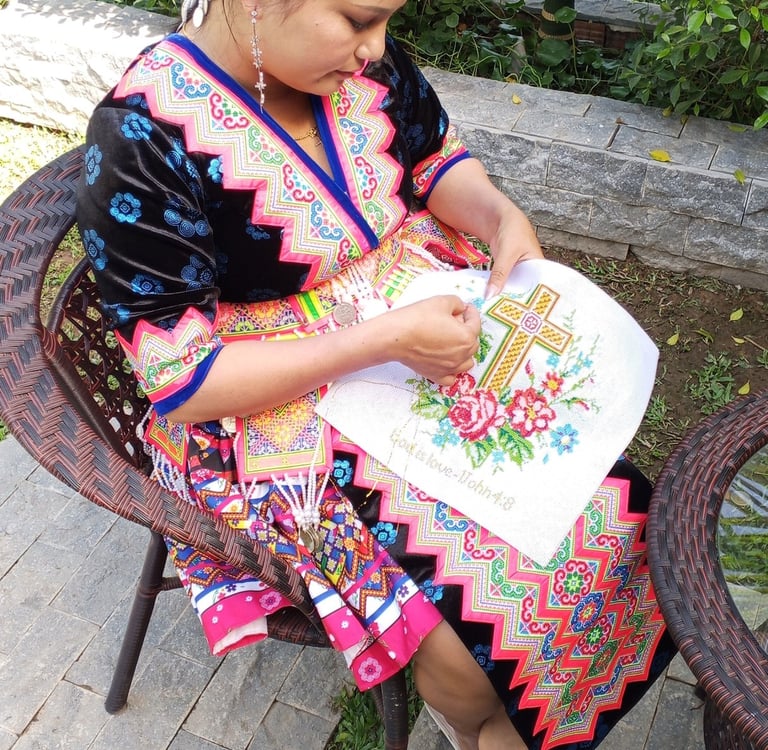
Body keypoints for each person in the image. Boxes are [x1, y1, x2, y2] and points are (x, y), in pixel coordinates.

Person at [76, 1, 675, 747]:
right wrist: (381, 340)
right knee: (472, 658)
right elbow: (185, 380)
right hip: (269, 411)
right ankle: (486, 723)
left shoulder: (364, 69)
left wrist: (498, 217)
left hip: (417, 330)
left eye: (386, 19)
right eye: (359, 18)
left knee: (614, 515)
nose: (376, 47)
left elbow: (433, 161)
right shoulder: (142, 140)